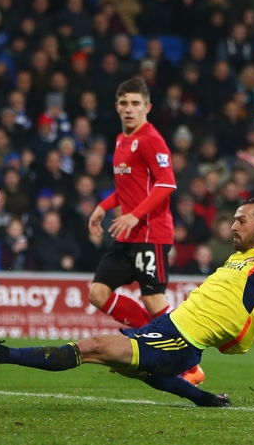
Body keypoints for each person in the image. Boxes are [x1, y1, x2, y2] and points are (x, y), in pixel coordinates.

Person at [0, 198, 254, 408]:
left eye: (241, 220)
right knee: (143, 372)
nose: (232, 226)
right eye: (233, 219)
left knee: (92, 347)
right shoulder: (237, 259)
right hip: (168, 327)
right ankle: (205, 398)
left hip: (183, 339)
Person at [85, 78, 206, 386]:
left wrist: (133, 215)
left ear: (147, 107)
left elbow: (167, 184)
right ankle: (148, 340)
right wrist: (103, 206)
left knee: (154, 301)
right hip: (128, 234)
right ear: (116, 106)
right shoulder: (120, 140)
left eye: (136, 103)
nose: (129, 109)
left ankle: (188, 364)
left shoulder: (151, 139)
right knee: (98, 294)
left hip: (151, 233)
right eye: (124, 103)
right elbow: (127, 187)